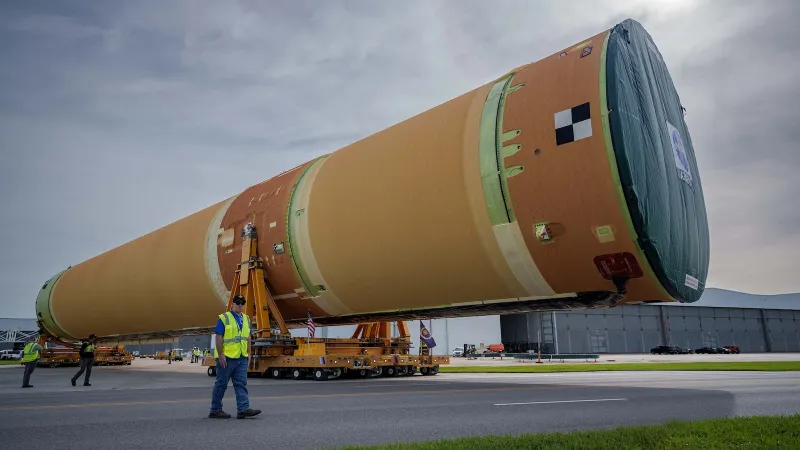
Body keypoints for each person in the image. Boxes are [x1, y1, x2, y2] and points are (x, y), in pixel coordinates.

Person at [209, 294, 261, 419]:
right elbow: (218, 336)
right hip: (227, 358)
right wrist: (221, 354)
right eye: (237, 302)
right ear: (232, 304)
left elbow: (248, 336)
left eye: (242, 303)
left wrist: (249, 353)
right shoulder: (224, 318)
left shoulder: (246, 319)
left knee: (241, 383)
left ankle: (243, 409)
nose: (240, 305)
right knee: (221, 384)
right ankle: (215, 410)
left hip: (241, 357)